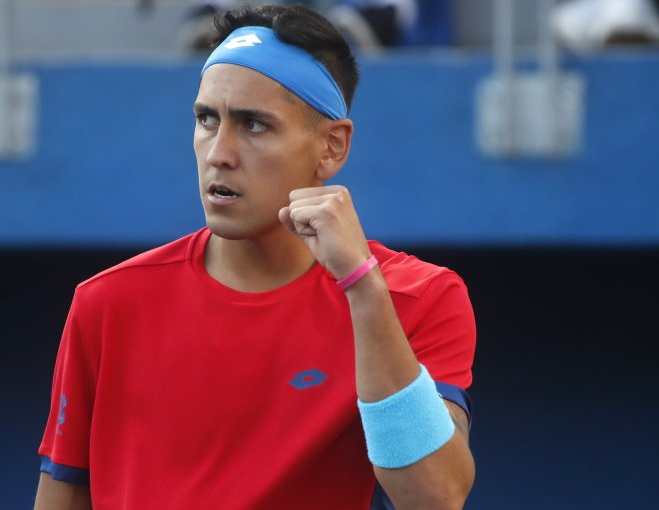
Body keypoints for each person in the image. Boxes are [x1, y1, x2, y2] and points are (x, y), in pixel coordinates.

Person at [34, 5, 476, 509]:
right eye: (207, 119)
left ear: (332, 147)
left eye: (254, 125)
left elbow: (435, 498)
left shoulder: (417, 297)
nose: (219, 152)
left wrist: (363, 289)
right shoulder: (106, 303)